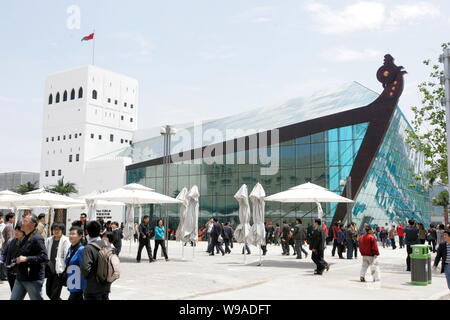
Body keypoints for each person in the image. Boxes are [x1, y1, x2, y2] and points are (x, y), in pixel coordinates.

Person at [10, 214, 48, 300]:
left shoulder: (37, 238)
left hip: (33, 278)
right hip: (21, 276)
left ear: (33, 224)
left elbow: (44, 257)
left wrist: (26, 259)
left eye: (25, 221)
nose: (22, 223)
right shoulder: (24, 238)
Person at [81, 220, 112, 300]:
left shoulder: (88, 247)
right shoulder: (107, 244)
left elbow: (85, 269)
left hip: (92, 287)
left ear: (87, 231)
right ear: (100, 231)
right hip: (106, 285)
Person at [45, 222, 70, 300]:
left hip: (59, 271)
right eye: (54, 229)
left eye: (58, 229)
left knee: (54, 294)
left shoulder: (65, 240)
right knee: (48, 292)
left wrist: (65, 269)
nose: (56, 231)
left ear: (62, 230)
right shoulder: (49, 240)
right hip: (50, 270)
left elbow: (67, 255)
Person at [0, 224, 24, 291]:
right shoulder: (11, 241)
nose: (16, 232)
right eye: (15, 230)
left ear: (23, 232)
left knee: (17, 294)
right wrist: (2, 261)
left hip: (20, 272)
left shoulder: (26, 242)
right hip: (10, 271)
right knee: (13, 291)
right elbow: (4, 254)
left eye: (19, 231)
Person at [65, 226, 86, 300]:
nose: (70, 236)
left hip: (78, 286)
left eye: (73, 234)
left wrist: (84, 288)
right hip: (72, 284)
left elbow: (85, 268)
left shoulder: (81, 249)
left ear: (80, 236)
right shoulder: (70, 248)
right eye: (70, 234)